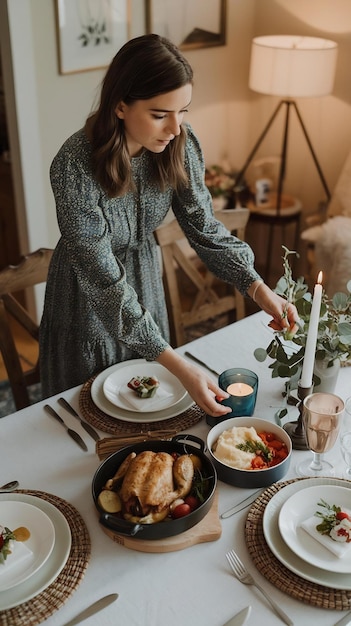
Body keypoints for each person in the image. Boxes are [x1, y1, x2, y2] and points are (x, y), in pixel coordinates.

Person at [39, 34, 297, 418]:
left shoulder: (178, 144)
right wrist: (182, 368)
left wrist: (258, 289)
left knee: (149, 405)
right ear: (121, 106)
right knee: (87, 414)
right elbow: (103, 279)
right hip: (86, 297)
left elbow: (203, 226)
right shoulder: (74, 166)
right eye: (160, 114)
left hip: (145, 280)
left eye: (183, 111)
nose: (176, 128)